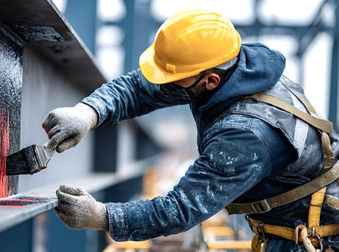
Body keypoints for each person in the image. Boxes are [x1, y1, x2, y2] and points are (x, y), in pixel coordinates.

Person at [42, 8, 339, 251]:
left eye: (174, 79)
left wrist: (102, 217)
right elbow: (138, 87)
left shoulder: (246, 134)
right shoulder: (228, 70)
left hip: (309, 239)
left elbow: (180, 209)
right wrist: (86, 113)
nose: (166, 86)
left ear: (209, 80)